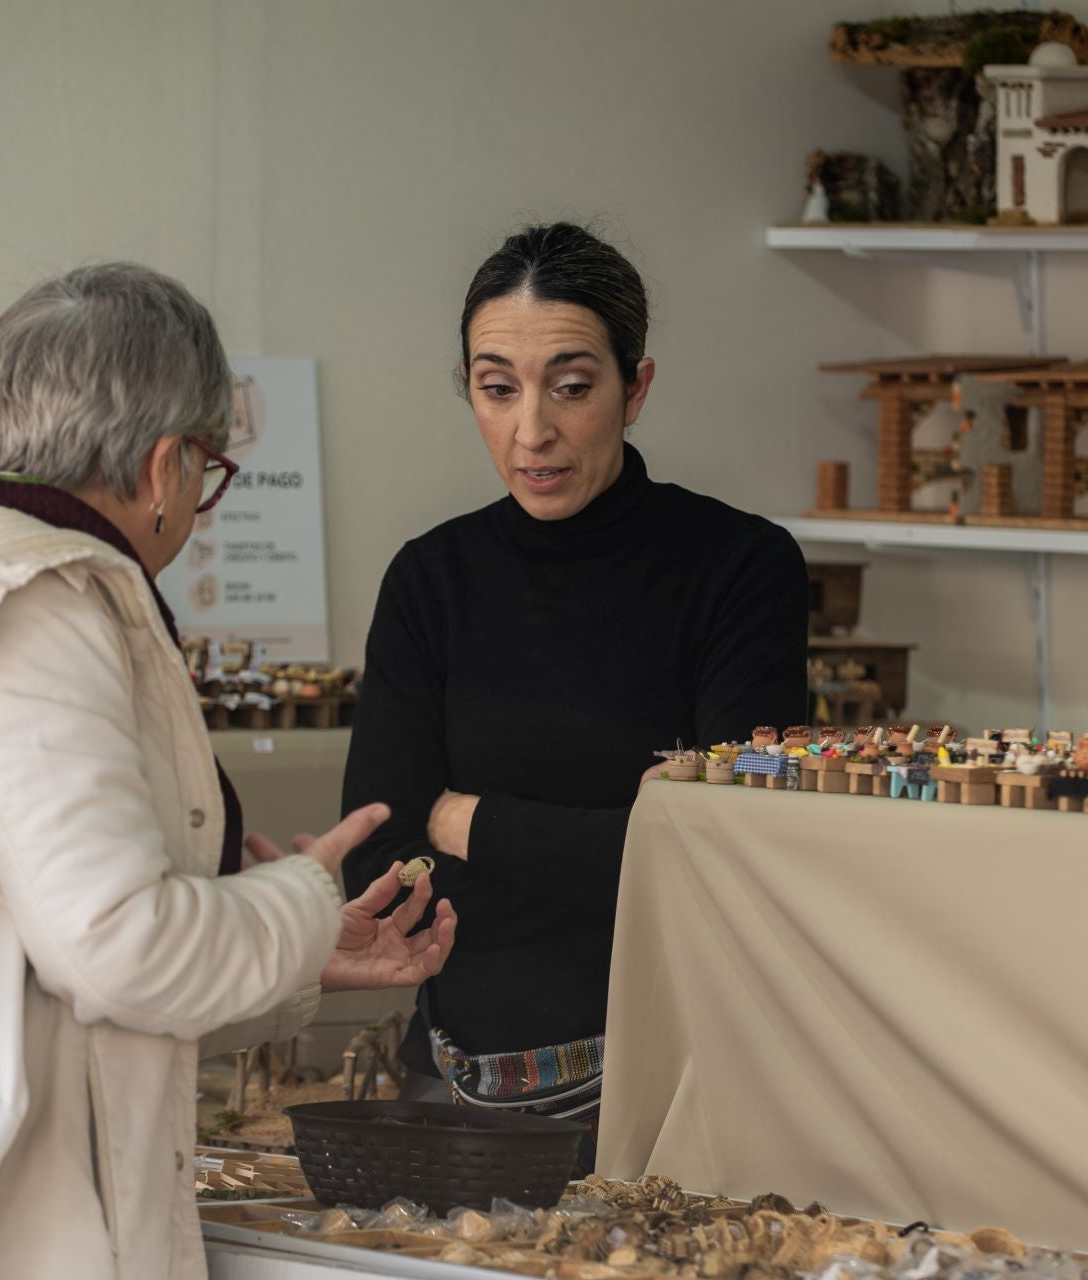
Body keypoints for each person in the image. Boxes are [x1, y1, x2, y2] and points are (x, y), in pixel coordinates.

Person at [0, 263, 458, 1280]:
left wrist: (300, 951)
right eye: (210, 470)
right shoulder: (35, 617)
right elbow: (116, 949)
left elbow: (49, 945)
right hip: (19, 1220)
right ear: (166, 466)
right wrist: (299, 897)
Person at [341, 223, 807, 1145]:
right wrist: (617, 843)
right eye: (497, 388)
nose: (532, 430)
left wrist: (463, 819)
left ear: (635, 389)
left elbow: (723, 860)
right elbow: (378, 871)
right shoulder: (431, 581)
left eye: (573, 386)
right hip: (454, 1090)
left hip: (681, 1101)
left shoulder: (739, 569)